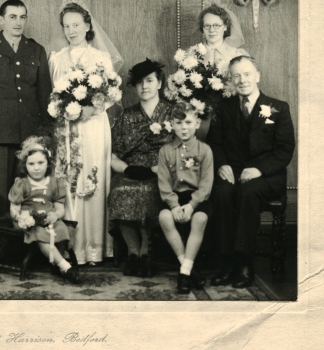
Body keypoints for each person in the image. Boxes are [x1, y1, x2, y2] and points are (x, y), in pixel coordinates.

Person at [207, 56, 295, 288]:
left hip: (267, 176)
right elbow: (214, 144)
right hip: (233, 171)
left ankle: (244, 262)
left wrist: (259, 170)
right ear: (231, 80)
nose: (242, 80)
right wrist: (222, 164)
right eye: (236, 76)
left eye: (247, 74)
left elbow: (285, 149)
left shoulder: (278, 108)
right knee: (222, 193)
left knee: (248, 193)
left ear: (257, 76)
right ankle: (226, 262)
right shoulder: (223, 108)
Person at [0, 0, 53, 231]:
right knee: (0, 194)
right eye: (13, 17)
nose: (18, 22)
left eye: (22, 17)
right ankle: (0, 247)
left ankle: (29, 245)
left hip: (31, 133)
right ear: (1, 20)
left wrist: (46, 135)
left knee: (32, 191)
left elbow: (44, 94)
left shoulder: (36, 50)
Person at [49, 1, 122, 265]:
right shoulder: (56, 58)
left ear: (88, 26)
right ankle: (72, 248)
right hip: (67, 129)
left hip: (93, 128)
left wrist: (93, 108)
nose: (71, 31)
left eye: (76, 25)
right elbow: (54, 97)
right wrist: (66, 111)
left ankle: (95, 248)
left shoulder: (100, 58)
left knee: (93, 181)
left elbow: (112, 93)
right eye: (66, 26)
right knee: (69, 181)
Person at [108, 59, 174, 277]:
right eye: (139, 83)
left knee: (148, 191)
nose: (144, 86)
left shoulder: (172, 113)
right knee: (119, 190)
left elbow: (182, 149)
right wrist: (127, 170)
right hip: (132, 170)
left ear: (159, 83)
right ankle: (133, 253)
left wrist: (159, 169)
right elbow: (113, 156)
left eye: (149, 80)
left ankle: (146, 252)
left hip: (162, 171)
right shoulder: (127, 116)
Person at [157, 102, 214, 294]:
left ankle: (184, 272)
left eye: (188, 122)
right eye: (179, 122)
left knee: (200, 219)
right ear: (172, 124)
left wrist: (191, 205)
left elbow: (206, 185)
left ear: (197, 124)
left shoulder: (205, 150)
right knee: (164, 217)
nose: (184, 127)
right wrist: (173, 206)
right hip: (174, 198)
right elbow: (164, 184)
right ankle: (187, 268)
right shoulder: (165, 151)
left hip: (197, 199)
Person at [9, 136, 81, 284]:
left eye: (41, 163)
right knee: (40, 233)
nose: (36, 168)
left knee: (61, 229)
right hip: (30, 221)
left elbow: (60, 208)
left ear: (48, 163)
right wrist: (21, 218)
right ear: (25, 165)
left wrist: (55, 215)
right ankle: (65, 266)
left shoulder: (54, 183)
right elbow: (14, 209)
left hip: (48, 218)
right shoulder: (21, 183)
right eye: (31, 164)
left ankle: (56, 262)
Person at [199, 0, 249, 74]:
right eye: (207, 26)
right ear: (202, 28)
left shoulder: (237, 55)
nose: (211, 30)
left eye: (216, 25)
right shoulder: (192, 55)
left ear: (225, 26)